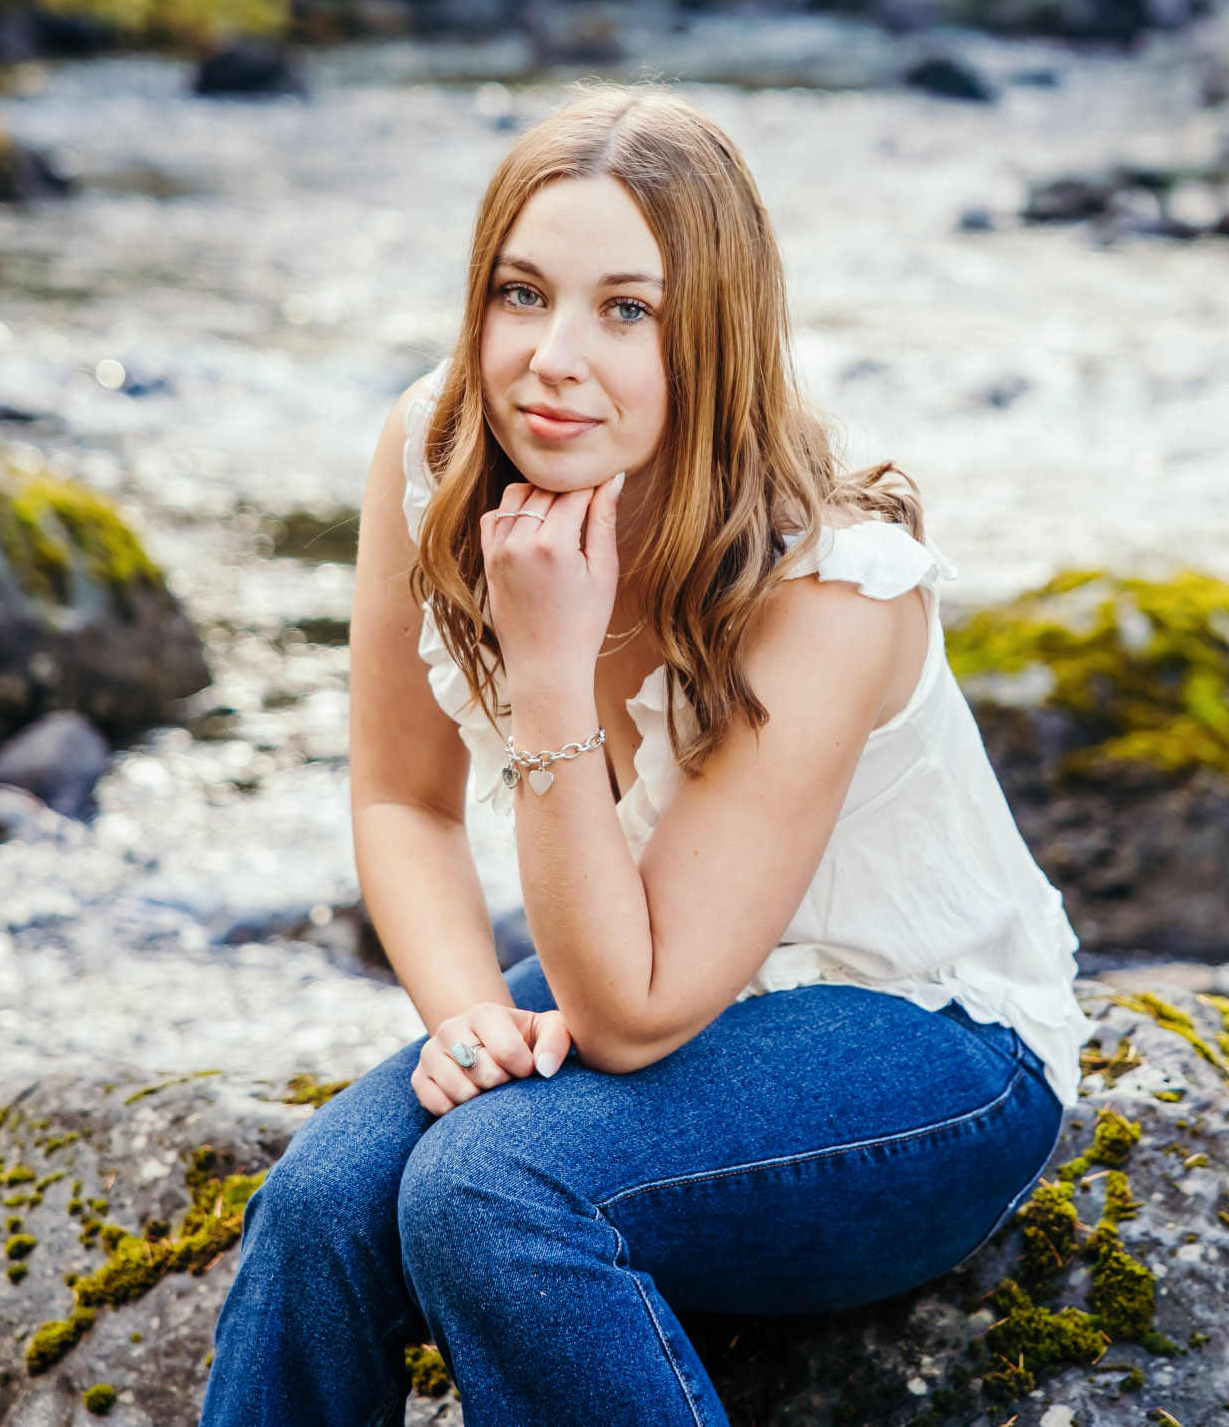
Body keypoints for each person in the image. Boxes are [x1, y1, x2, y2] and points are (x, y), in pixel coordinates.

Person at [202, 87, 1093, 1427]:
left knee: (491, 1190)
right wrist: (468, 1020)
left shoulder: (831, 590)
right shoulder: (434, 448)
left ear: (713, 335)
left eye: (627, 310)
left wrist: (550, 667)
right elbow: (401, 798)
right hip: (665, 964)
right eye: (521, 294)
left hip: (928, 1042)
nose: (554, 357)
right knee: (328, 1199)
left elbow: (631, 1006)